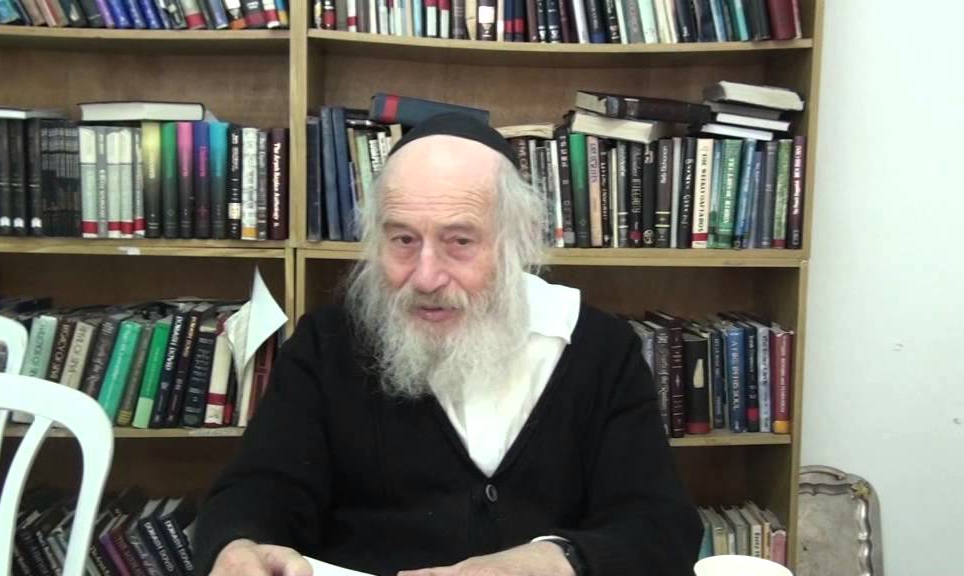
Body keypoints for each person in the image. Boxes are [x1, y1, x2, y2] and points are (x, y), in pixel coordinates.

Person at [195, 113, 702, 576]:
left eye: (460, 241)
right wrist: (239, 545)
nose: (426, 277)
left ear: (517, 241)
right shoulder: (325, 345)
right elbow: (259, 489)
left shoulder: (601, 350)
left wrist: (557, 560)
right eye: (403, 240)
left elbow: (659, 526)